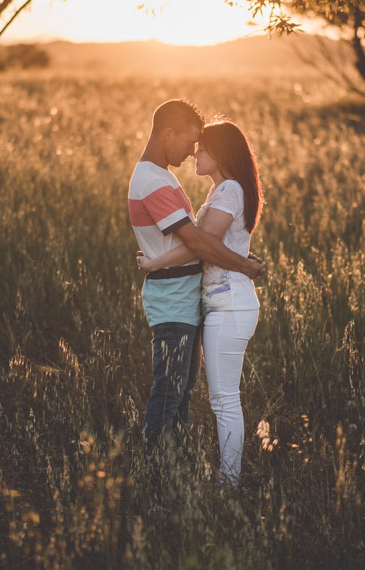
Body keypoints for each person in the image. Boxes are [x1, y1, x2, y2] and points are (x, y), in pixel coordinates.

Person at [128, 100, 264, 471]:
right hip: (175, 302)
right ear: (168, 133)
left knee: (186, 394)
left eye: (201, 148)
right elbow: (199, 243)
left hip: (197, 303)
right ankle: (160, 477)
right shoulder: (153, 180)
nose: (192, 152)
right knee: (174, 394)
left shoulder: (166, 179)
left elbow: (202, 243)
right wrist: (244, 265)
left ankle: (180, 473)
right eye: (192, 143)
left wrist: (241, 263)